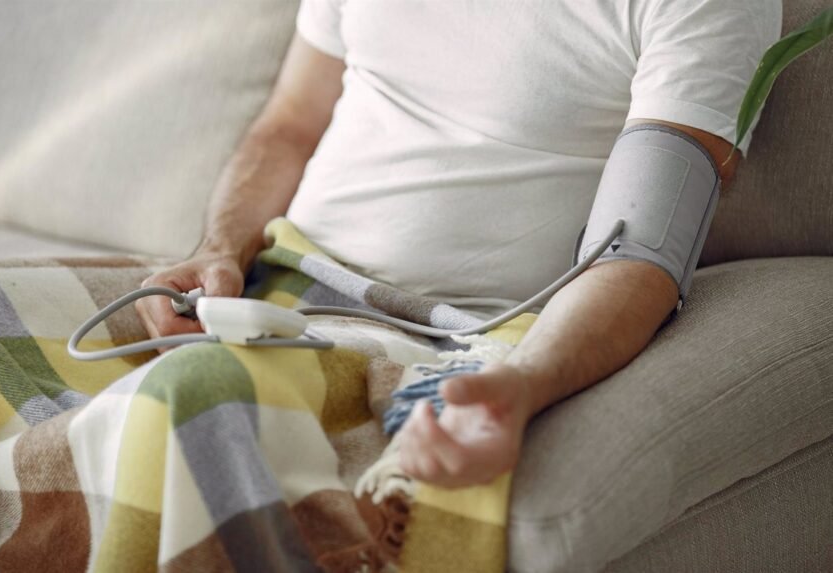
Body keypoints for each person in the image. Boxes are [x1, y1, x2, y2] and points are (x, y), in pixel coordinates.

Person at [136, 0, 781, 488]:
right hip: (272, 281)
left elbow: (640, 255)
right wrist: (219, 249)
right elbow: (290, 126)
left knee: (184, 408)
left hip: (451, 336)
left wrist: (525, 383)